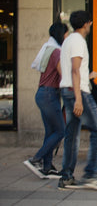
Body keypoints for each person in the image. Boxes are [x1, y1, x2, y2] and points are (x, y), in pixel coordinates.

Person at [58, 10, 97, 191]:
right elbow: (75, 70)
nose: (91, 26)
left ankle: (66, 177)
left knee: (72, 134)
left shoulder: (67, 41)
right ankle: (89, 175)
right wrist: (79, 99)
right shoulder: (79, 42)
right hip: (78, 92)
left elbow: (67, 70)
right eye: (91, 23)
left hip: (67, 90)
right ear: (87, 23)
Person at [24, 21, 69, 179]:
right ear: (60, 35)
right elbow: (63, 74)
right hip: (50, 95)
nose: (67, 36)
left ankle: (47, 166)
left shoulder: (49, 50)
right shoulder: (56, 52)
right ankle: (36, 159)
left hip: (43, 94)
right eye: (66, 33)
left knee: (51, 131)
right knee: (60, 131)